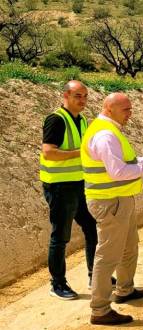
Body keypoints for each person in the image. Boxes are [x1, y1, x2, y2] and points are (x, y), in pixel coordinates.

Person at [82, 93, 143, 325]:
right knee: (108, 255)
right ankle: (99, 310)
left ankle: (124, 289)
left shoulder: (109, 130)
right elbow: (118, 172)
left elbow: (123, 164)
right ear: (109, 109)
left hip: (119, 199)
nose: (130, 113)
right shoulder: (105, 135)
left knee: (129, 246)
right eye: (126, 110)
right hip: (110, 201)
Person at [40, 80, 98, 300]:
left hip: (79, 184)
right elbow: (49, 152)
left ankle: (96, 274)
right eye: (77, 96)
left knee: (92, 227)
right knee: (60, 236)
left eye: (85, 96)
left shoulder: (82, 120)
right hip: (60, 187)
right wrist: (81, 152)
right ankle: (57, 284)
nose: (82, 100)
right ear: (65, 96)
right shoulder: (56, 120)